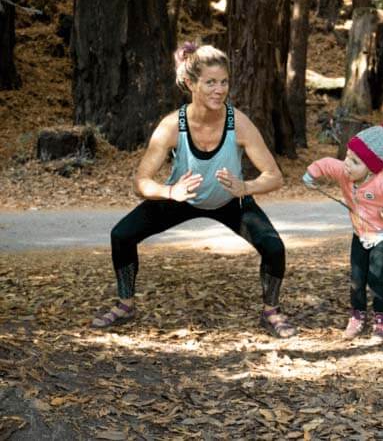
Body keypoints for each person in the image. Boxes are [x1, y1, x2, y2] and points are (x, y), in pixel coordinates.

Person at [91, 43, 298, 338]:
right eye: (210, 82)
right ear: (191, 83)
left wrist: (245, 187)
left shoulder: (237, 122)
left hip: (230, 199)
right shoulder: (172, 126)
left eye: (224, 82)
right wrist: (170, 192)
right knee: (121, 235)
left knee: (274, 247)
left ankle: (271, 311)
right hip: (181, 198)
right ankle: (125, 304)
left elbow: (274, 176)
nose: (219, 89)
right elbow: (141, 182)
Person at [303, 119, 383, 342]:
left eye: (355, 162)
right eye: (347, 156)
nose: (347, 164)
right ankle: (357, 315)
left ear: (371, 167)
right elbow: (326, 163)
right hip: (360, 235)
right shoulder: (346, 172)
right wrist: (311, 174)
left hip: (382, 238)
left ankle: (381, 318)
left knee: (375, 279)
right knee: (356, 279)